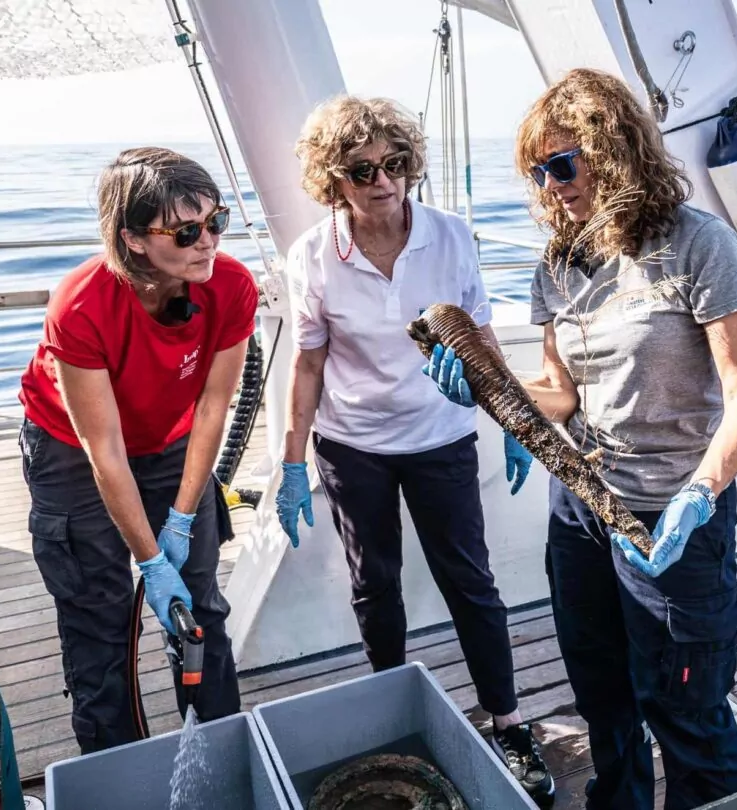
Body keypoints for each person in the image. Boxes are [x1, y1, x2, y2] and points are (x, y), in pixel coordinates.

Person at [426, 68, 737, 809]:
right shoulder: (559, 263)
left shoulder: (698, 244)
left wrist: (701, 496)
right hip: (581, 507)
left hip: (675, 513)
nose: (551, 187)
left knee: (685, 705)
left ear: (614, 149)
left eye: (561, 164)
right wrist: (490, 389)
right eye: (536, 173)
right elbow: (561, 393)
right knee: (602, 692)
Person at [274, 94, 554, 806]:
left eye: (394, 163)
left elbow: (481, 337)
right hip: (354, 444)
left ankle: (509, 721)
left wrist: (513, 423)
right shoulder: (312, 255)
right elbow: (306, 364)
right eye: (362, 169)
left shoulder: (451, 235)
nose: (382, 180)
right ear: (334, 178)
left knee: (471, 581)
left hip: (441, 435)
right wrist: (293, 462)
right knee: (376, 585)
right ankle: (388, 707)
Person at [17, 147, 256, 754]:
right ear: (134, 239)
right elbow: (105, 452)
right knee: (101, 615)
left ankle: (218, 757)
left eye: (215, 222)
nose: (208, 242)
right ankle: (114, 768)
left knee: (200, 603)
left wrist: (180, 516)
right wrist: (149, 560)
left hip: (173, 441)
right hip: (72, 451)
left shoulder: (229, 285)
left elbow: (211, 409)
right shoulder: (81, 304)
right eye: (186, 230)